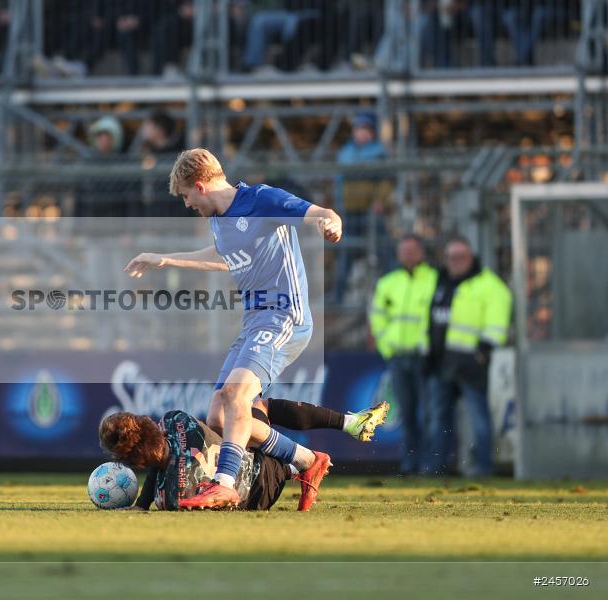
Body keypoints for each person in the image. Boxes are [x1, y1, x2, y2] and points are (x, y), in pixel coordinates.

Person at [124, 148, 343, 510]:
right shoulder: (218, 219)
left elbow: (322, 213)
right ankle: (307, 461)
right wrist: (164, 259)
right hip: (255, 321)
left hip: (284, 317)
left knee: (237, 397)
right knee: (219, 417)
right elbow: (225, 258)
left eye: (185, 196)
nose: (187, 204)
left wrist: (329, 222)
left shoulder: (261, 199)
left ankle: (225, 483)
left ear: (200, 186)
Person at [100, 397, 389, 511]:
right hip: (258, 466)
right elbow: (165, 456)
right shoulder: (177, 421)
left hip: (257, 494)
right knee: (251, 410)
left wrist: (142, 505)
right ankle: (330, 437)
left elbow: (159, 465)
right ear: (144, 423)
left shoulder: (170, 498)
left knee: (237, 423)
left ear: (131, 460)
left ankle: (302, 465)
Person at [424, 235, 511, 477]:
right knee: (439, 420)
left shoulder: (488, 284)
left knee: (478, 418)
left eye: (461, 257)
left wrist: (483, 350)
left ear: (470, 257)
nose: (456, 262)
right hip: (442, 362)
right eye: (451, 257)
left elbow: (498, 319)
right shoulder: (440, 281)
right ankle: (437, 468)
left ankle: (484, 467)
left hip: (469, 363)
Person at [369, 234, 437, 475]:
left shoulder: (434, 280)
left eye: (412, 250)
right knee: (406, 414)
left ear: (422, 252)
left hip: (425, 357)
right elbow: (377, 317)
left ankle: (431, 465)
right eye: (404, 250)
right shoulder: (388, 282)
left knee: (430, 413)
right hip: (397, 356)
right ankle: (410, 465)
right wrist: (388, 348)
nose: (408, 255)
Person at [333, 111, 390, 305]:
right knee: (346, 253)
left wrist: (379, 201)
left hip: (371, 212)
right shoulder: (345, 153)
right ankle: (338, 296)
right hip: (350, 210)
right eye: (359, 129)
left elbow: (385, 181)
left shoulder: (379, 153)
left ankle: (390, 289)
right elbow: (339, 184)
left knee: (383, 250)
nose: (361, 133)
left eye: (366, 129)